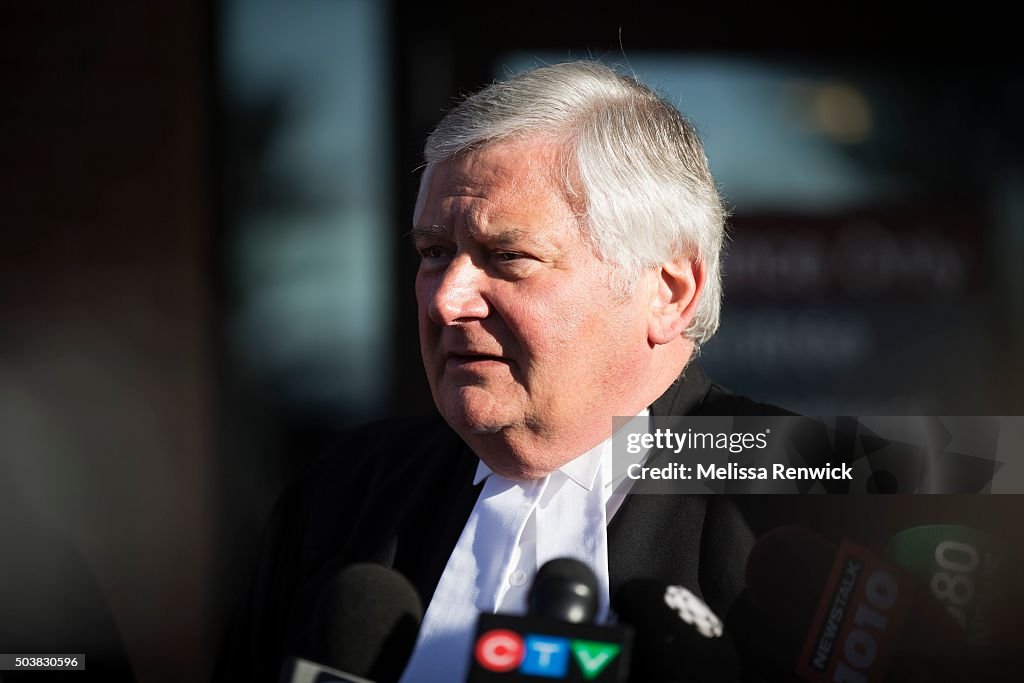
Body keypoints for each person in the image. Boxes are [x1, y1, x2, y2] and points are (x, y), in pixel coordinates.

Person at [216, 60, 782, 682]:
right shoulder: (345, 493)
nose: (446, 300)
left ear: (670, 293)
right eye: (434, 253)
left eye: (508, 256)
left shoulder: (819, 489)